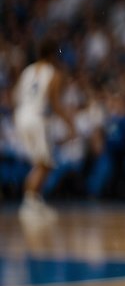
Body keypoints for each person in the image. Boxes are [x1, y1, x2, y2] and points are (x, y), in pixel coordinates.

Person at [13, 40, 75, 222]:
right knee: (45, 163)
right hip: (37, 118)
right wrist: (69, 123)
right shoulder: (53, 73)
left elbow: (17, 95)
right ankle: (29, 203)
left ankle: (34, 201)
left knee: (40, 163)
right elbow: (55, 103)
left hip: (21, 115)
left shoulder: (28, 71)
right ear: (53, 54)